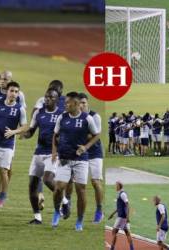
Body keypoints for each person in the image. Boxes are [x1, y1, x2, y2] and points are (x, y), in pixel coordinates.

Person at [51, 91, 100, 231]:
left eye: (68, 103)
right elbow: (55, 135)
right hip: (64, 158)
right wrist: (54, 152)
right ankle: (56, 211)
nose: (65, 104)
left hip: (81, 160)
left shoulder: (87, 119)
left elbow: (96, 135)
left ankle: (79, 221)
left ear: (77, 104)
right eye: (65, 102)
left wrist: (85, 147)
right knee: (59, 187)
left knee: (81, 190)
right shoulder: (62, 117)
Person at [23, 88, 63, 224]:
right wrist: (25, 134)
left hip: (53, 153)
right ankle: (37, 217)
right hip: (38, 153)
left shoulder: (61, 115)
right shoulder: (38, 113)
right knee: (32, 185)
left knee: (47, 179)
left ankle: (64, 201)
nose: (47, 99)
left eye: (51, 97)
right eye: (46, 97)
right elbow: (32, 130)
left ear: (57, 99)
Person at [78, 93, 104, 223]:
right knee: (77, 183)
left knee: (95, 182)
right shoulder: (75, 117)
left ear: (87, 103)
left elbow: (96, 136)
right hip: (80, 152)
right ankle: (66, 205)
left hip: (94, 152)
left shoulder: (95, 116)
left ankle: (99, 210)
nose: (81, 105)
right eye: (79, 103)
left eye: (84, 103)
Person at [108, 181, 134, 250]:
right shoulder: (120, 194)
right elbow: (119, 207)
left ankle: (112, 248)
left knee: (114, 231)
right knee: (127, 233)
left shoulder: (123, 194)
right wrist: (112, 214)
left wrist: (128, 217)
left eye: (116, 185)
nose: (115, 187)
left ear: (119, 186)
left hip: (121, 217)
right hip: (123, 216)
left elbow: (127, 205)